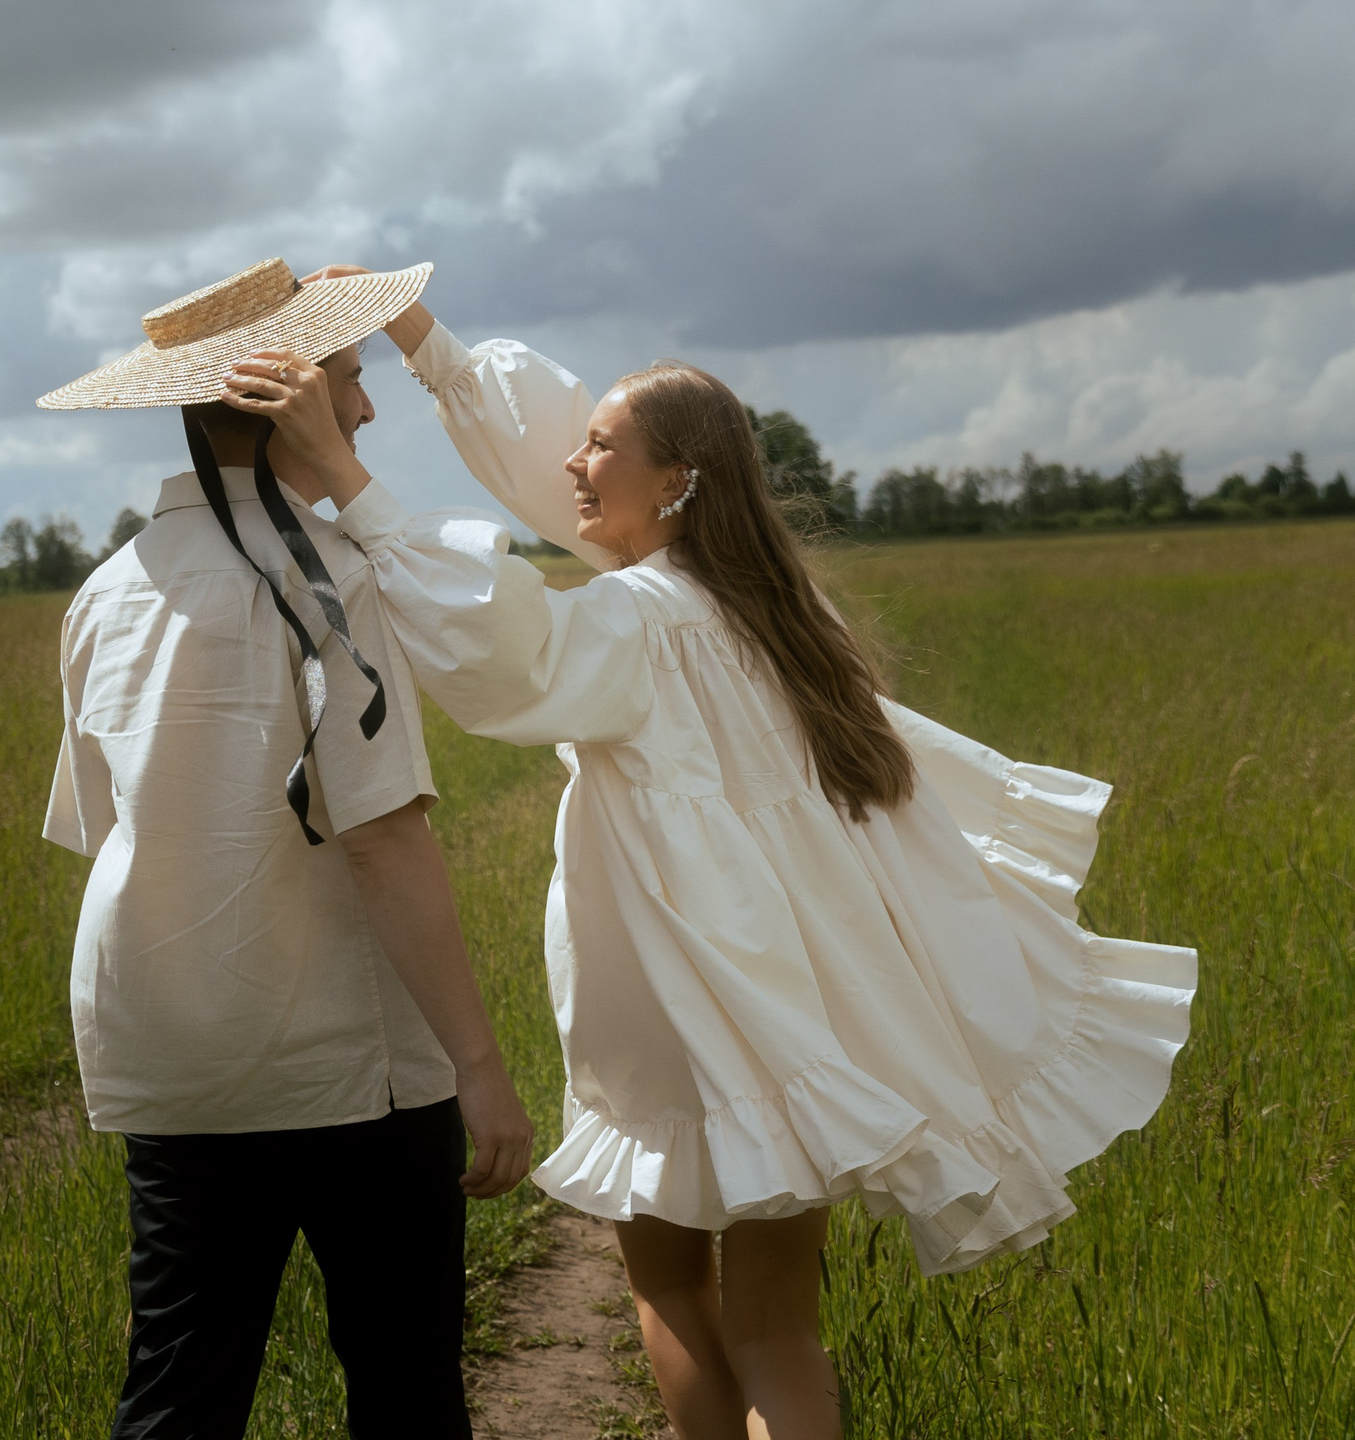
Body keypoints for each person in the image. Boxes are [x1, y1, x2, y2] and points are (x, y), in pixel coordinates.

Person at [217, 277, 1197, 1440]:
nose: (572, 465)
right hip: (794, 1009)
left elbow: (501, 650)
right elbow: (564, 487)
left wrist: (343, 473)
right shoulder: (783, 615)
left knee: (669, 1289)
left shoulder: (637, 625)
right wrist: (423, 342)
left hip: (679, 1003)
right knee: (781, 1329)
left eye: (599, 446)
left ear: (675, 480)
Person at [36, 258, 537, 1440]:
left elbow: (104, 834)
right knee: (404, 1382)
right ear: (288, 399)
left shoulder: (103, 594)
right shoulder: (335, 579)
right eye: (350, 381)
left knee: (179, 1392)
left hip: (169, 1051)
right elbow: (381, 839)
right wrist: (479, 1065)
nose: (364, 409)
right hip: (344, 1062)